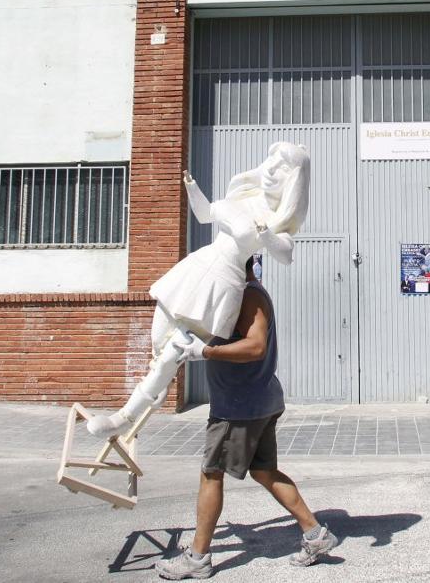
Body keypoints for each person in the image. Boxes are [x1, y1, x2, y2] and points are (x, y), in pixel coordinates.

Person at [86, 143, 309, 439]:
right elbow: (205, 215)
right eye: (270, 160)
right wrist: (192, 188)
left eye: (281, 167)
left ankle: (124, 417)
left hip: (223, 284)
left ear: (292, 180)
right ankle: (157, 386)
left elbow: (286, 255)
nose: (270, 169)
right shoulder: (243, 197)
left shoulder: (278, 220)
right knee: (158, 341)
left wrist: (266, 236)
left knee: (173, 352)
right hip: (196, 267)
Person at [156, 255, 338, 580]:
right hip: (256, 401)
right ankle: (316, 534)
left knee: (211, 474)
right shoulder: (242, 293)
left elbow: (255, 346)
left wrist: (206, 352)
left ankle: (197, 558)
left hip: (239, 408)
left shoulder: (249, 295)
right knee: (265, 472)